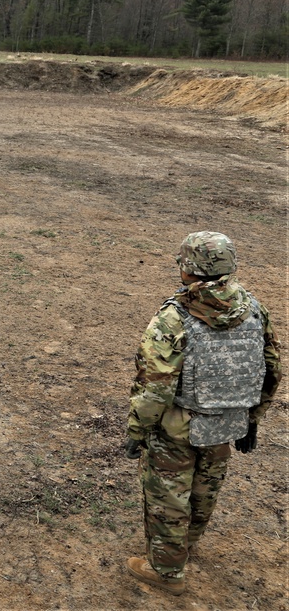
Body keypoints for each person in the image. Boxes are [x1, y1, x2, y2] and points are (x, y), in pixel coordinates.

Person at [125, 231, 281, 596]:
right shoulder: (255, 309)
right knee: (204, 488)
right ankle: (187, 545)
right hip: (228, 421)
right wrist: (252, 419)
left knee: (168, 496)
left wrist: (136, 430)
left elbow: (155, 385)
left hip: (177, 426)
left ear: (190, 269)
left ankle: (165, 570)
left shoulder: (173, 316)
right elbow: (270, 367)